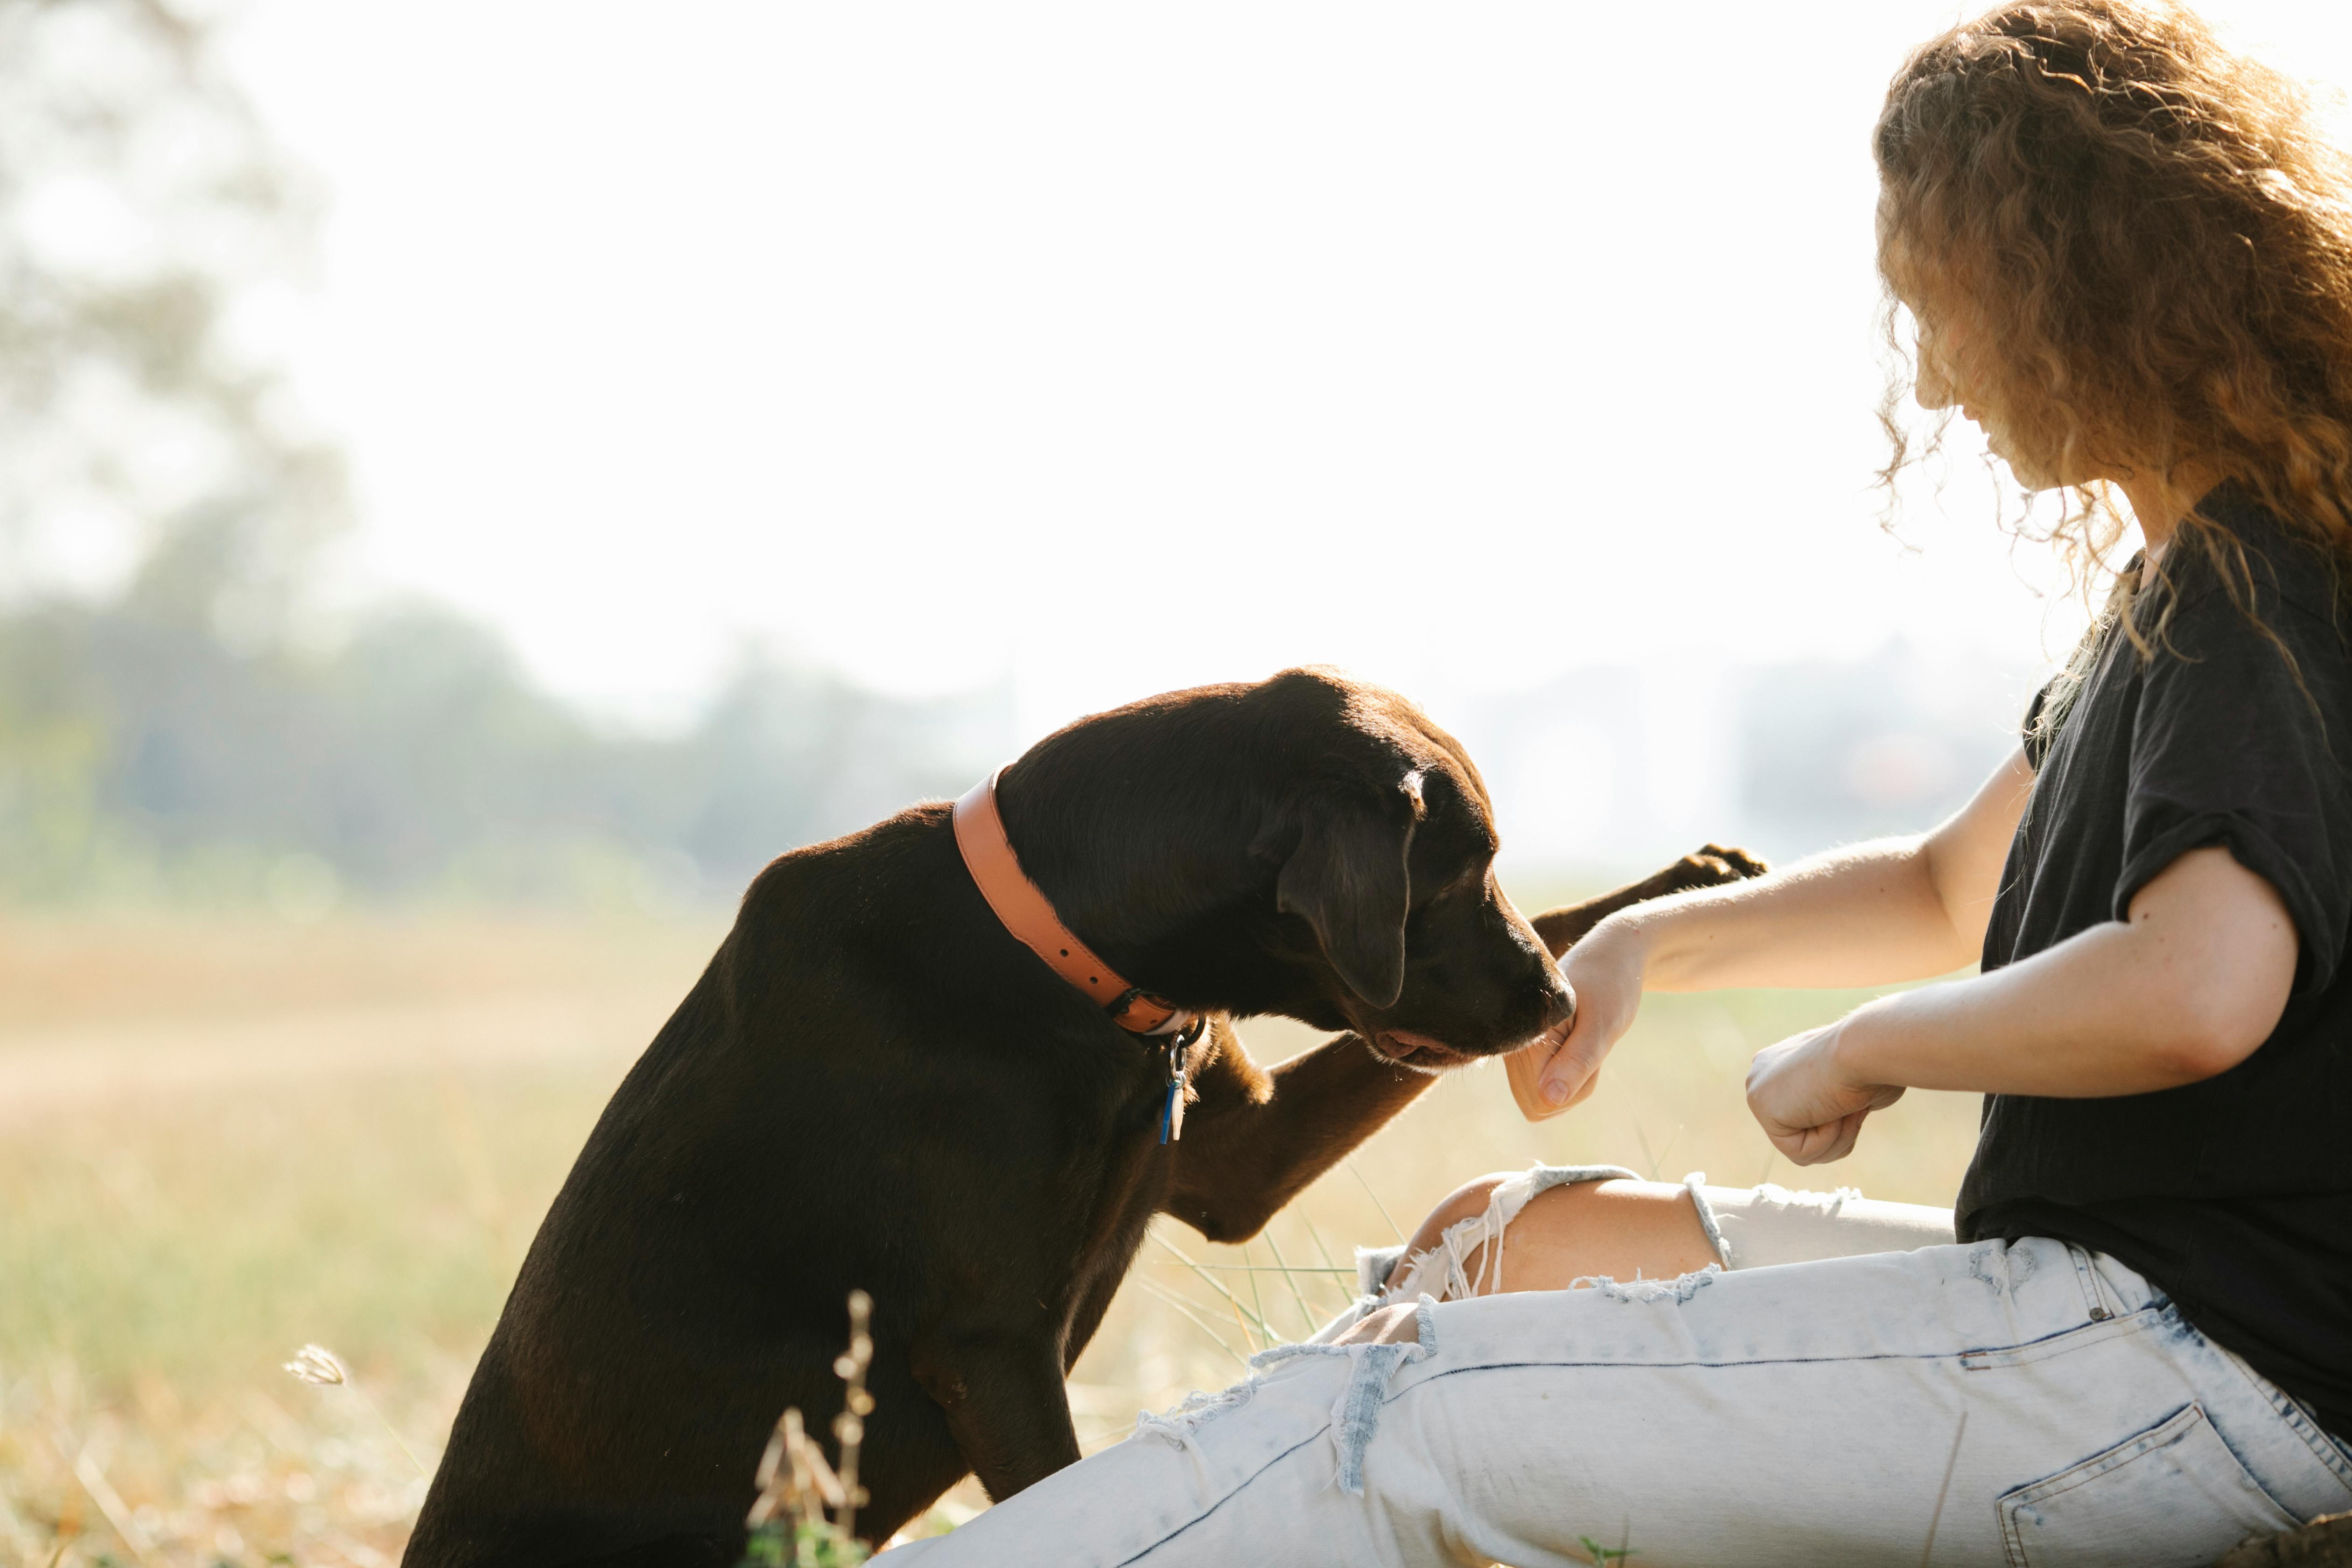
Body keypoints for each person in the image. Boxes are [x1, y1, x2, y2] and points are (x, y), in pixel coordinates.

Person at [881, 3, 2352, 1561]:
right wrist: (1650, 943)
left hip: (2185, 1368)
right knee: (1502, 1245)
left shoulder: (2249, 591)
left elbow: (2197, 991)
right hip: (2122, 1327)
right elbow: (1947, 887)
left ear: (2067, 290)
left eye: (1949, 310)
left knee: (1390, 1420)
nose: (1933, 382)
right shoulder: (2183, 592)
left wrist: (1867, 1047)